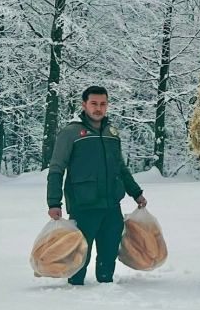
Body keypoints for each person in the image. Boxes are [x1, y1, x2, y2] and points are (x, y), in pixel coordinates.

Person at [46, 86, 147, 285]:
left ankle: (106, 294)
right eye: (93, 103)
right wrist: (53, 202)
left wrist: (136, 193)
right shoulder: (71, 133)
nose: (98, 108)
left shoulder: (111, 133)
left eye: (103, 104)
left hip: (111, 206)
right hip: (84, 206)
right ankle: (74, 294)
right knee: (79, 257)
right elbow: (56, 169)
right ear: (84, 104)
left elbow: (120, 167)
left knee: (108, 257)